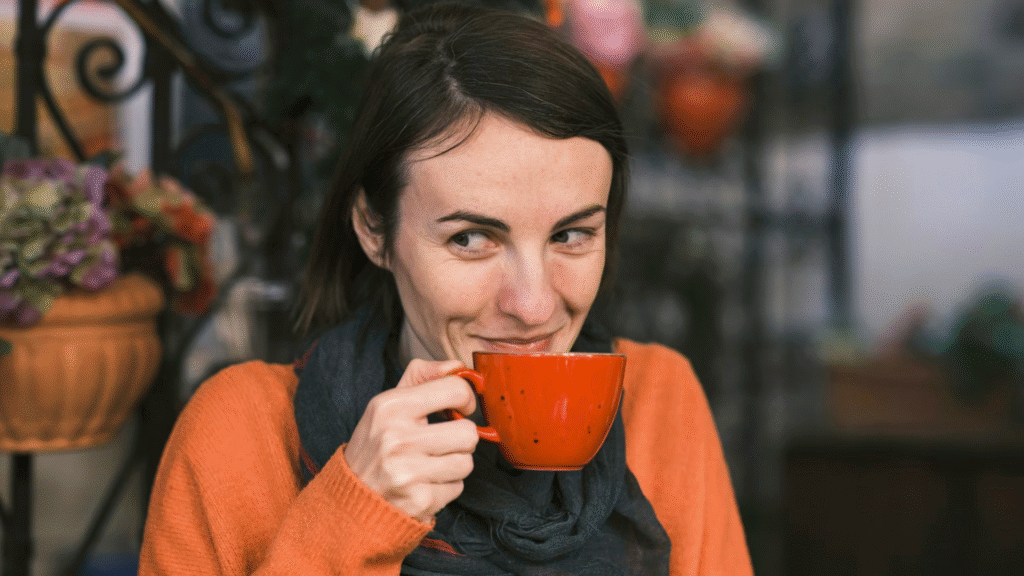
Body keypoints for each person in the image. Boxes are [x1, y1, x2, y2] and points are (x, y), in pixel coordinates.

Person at [139, 2, 752, 574]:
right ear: (374, 229)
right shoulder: (241, 435)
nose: (534, 305)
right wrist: (351, 515)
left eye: (570, 235)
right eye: (470, 239)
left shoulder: (658, 402)